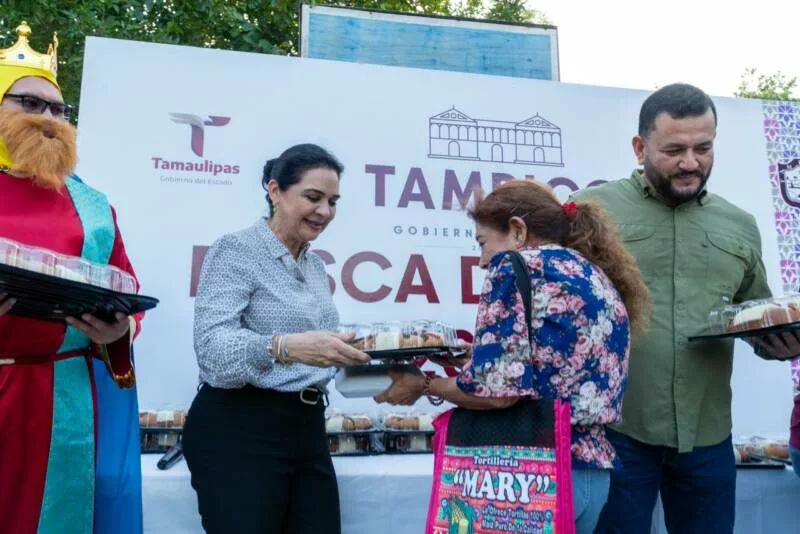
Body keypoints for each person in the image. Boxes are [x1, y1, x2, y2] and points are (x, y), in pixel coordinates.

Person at [571, 83, 800, 533]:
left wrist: (784, 344)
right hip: (616, 432)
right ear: (640, 148)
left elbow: (755, 316)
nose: (691, 162)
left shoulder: (739, 225)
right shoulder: (590, 211)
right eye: (674, 150)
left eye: (703, 148)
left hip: (708, 437)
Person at [376, 179, 650, 534]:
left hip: (531, 477)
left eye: (482, 243)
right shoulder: (594, 273)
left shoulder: (515, 266)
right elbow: (556, 362)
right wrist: (477, 358)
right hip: (591, 477)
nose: (481, 261)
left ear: (517, 230)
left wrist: (425, 384)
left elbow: (499, 395)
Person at [0, 22, 145, 533]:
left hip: (63, 400)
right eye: (30, 103)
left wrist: (117, 331)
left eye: (59, 109)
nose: (49, 119)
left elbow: (125, 290)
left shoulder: (93, 207)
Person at [182, 143, 371, 533]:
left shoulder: (315, 265)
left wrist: (373, 359)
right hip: (240, 428)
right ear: (274, 190)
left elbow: (318, 354)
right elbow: (212, 349)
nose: (325, 211)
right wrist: (285, 346)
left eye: (333, 201)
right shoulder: (236, 250)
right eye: (313, 197)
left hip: (307, 428)